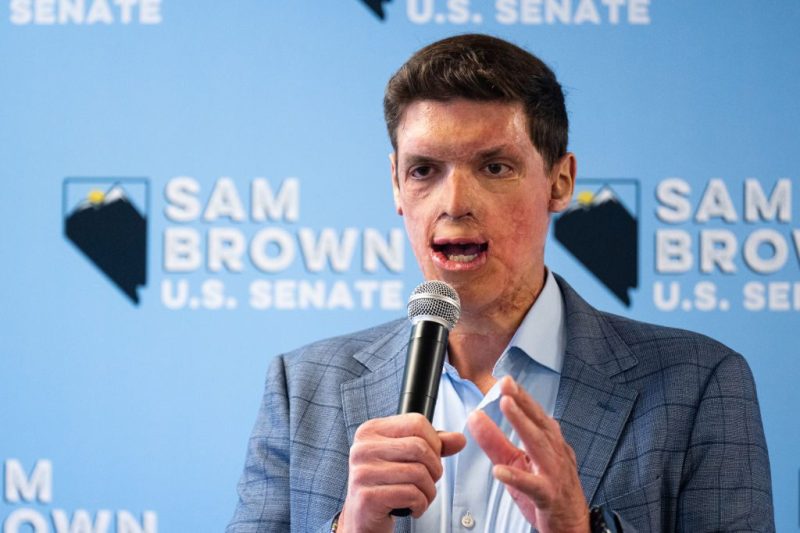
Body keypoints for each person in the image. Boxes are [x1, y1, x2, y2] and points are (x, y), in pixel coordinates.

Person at [226, 34, 774, 533]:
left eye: (494, 168)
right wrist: (353, 528)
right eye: (424, 170)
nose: (455, 203)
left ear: (560, 183)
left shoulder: (697, 385)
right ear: (396, 184)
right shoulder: (302, 388)